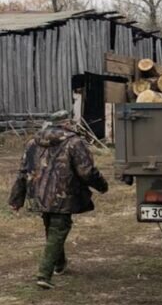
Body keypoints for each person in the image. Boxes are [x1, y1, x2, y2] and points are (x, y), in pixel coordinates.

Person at [8, 120, 109, 289]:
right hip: (64, 195)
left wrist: (16, 199)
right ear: (67, 124)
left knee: (52, 227)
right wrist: (102, 185)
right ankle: (44, 274)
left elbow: (23, 172)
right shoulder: (74, 142)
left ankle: (59, 264)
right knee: (58, 229)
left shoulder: (32, 143)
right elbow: (86, 171)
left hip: (39, 195)